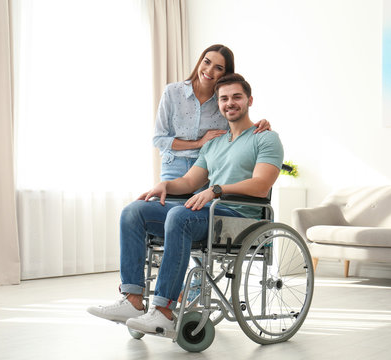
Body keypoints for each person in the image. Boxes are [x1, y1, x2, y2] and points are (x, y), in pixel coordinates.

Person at [87, 73, 284, 334]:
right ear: (219, 103)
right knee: (134, 212)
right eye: (224, 98)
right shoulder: (213, 143)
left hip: (242, 218)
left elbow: (260, 185)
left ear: (249, 100)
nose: (230, 103)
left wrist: (216, 190)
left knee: (180, 216)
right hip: (213, 214)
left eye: (237, 97)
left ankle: (164, 312)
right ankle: (133, 300)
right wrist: (166, 186)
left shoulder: (265, 138)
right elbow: (191, 182)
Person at [153, 44, 271, 182]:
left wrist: (260, 125)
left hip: (208, 168)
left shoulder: (223, 101)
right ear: (200, 61)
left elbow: (237, 127)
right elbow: (159, 140)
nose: (209, 70)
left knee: (196, 204)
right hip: (174, 165)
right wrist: (198, 143)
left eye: (218, 68)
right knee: (160, 202)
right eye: (207, 62)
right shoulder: (172, 92)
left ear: (225, 74)